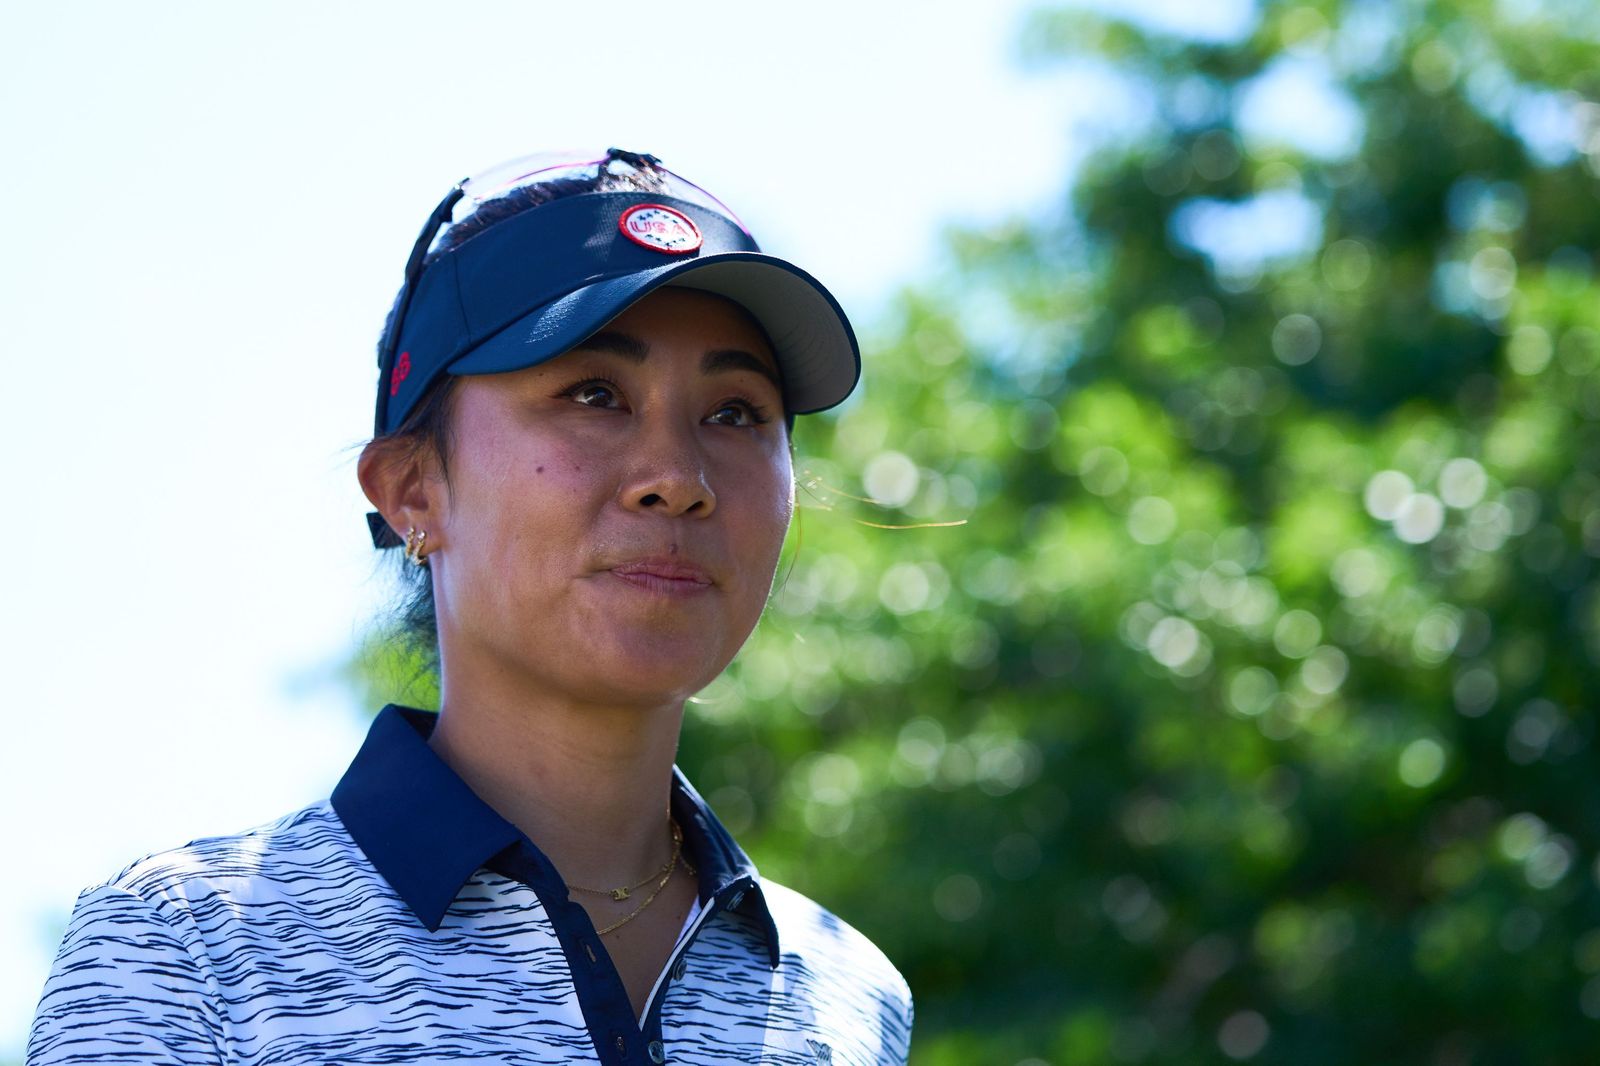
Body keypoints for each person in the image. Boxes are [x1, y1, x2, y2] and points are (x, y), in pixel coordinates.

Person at [27, 148, 913, 1065]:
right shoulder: (186, 951)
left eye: (735, 412)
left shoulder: (849, 995)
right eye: (595, 394)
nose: (678, 479)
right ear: (412, 491)